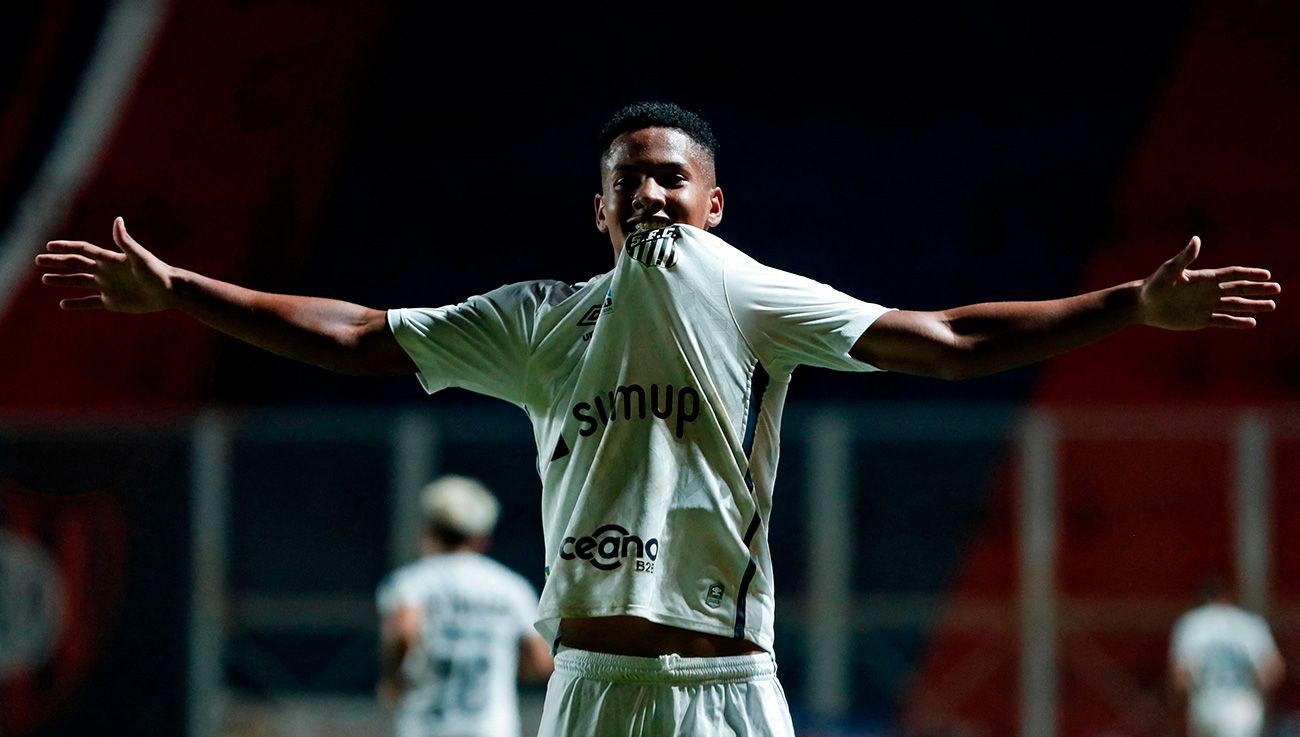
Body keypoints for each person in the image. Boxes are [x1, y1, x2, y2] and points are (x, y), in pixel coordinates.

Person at [36, 101, 1280, 736]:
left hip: (726, 686)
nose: (648, 189)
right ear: (598, 210)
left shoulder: (744, 297)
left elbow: (949, 339)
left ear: (714, 203)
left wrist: (1125, 303)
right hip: (587, 685)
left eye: (669, 174)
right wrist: (183, 290)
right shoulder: (538, 322)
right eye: (627, 176)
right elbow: (358, 332)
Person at [376, 474, 553, 737]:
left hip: (429, 726)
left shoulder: (411, 584)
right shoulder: (510, 588)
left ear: (428, 531)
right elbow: (540, 662)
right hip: (491, 728)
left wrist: (392, 679)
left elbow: (403, 633)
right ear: (481, 538)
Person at [1169, 578, 1286, 737]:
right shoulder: (1250, 622)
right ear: (1229, 597)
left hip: (1205, 706)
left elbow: (1181, 677)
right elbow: (1272, 670)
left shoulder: (1191, 623)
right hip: (1242, 707)